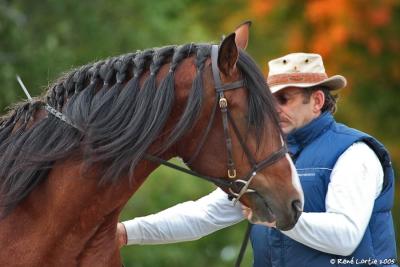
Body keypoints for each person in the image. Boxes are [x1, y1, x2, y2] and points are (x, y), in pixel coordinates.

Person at [117, 53, 397, 266]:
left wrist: (278, 218)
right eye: (268, 99)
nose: (273, 109)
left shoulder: (354, 153)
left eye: (284, 98)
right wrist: (126, 232)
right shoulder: (266, 155)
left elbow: (346, 238)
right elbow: (206, 215)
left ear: (318, 101)